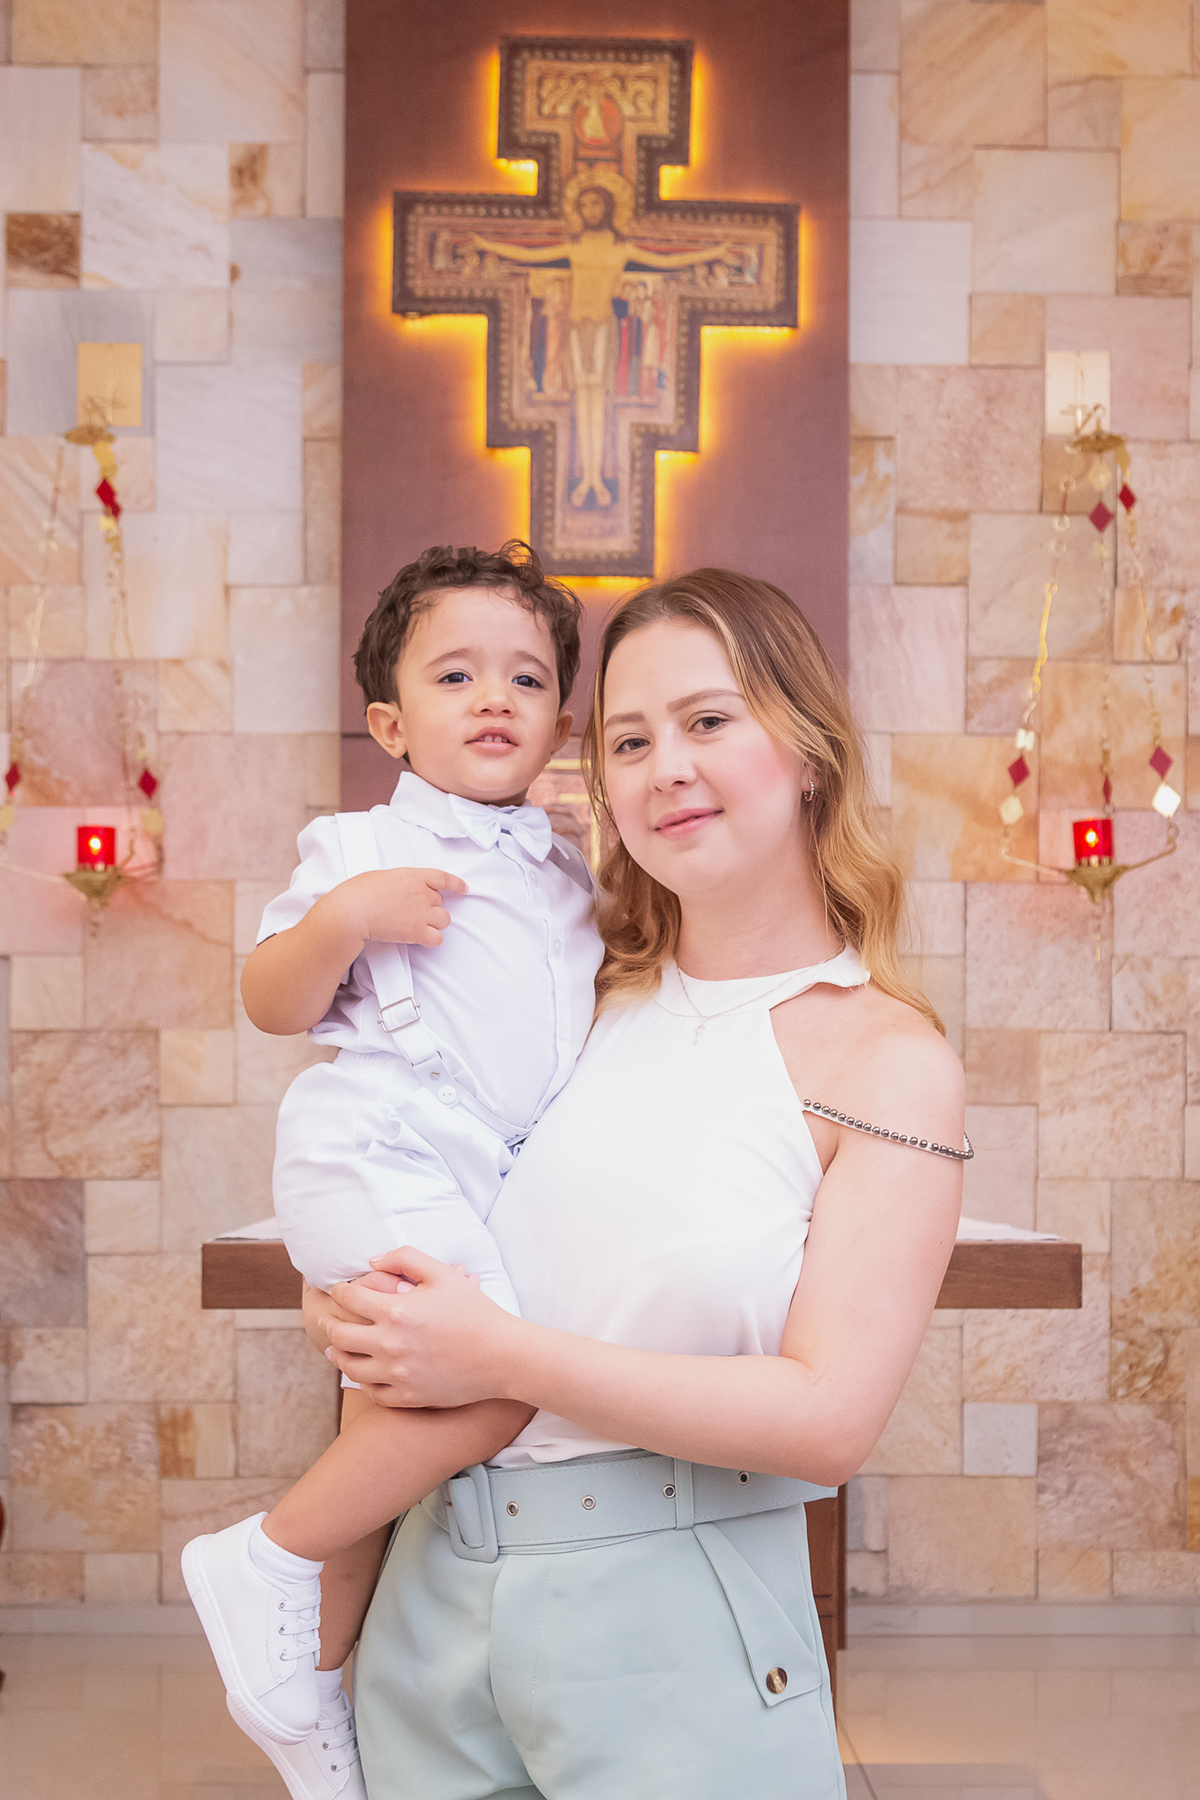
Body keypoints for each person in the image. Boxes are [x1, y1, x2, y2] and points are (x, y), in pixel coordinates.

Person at [309, 566, 969, 1800]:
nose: (666, 768)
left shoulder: (887, 1059)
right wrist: (359, 1302)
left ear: (808, 751)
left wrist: (498, 1356)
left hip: (676, 1629)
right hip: (431, 1608)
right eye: (628, 740)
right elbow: (416, 1192)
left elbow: (830, 1418)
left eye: (708, 720)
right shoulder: (573, 1005)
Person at [181, 542, 603, 1800]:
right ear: (390, 723)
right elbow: (271, 1000)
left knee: (392, 1419)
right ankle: (263, 1558)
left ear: (560, 726)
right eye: (455, 675)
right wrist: (343, 920)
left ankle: (311, 1681)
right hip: (377, 1149)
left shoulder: (566, 864)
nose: (493, 699)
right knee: (497, 1386)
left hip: (474, 1177)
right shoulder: (357, 844)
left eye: (526, 679)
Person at [472, 184, 728, 509]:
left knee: (599, 400)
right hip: (576, 328)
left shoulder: (622, 249)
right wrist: (487, 245)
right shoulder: (574, 246)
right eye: (584, 205)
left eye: (595, 204)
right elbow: (529, 255)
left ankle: (595, 476)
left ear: (607, 207)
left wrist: (710, 254)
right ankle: (587, 477)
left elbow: (667, 260)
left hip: (604, 327)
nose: (590, 211)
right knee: (583, 400)